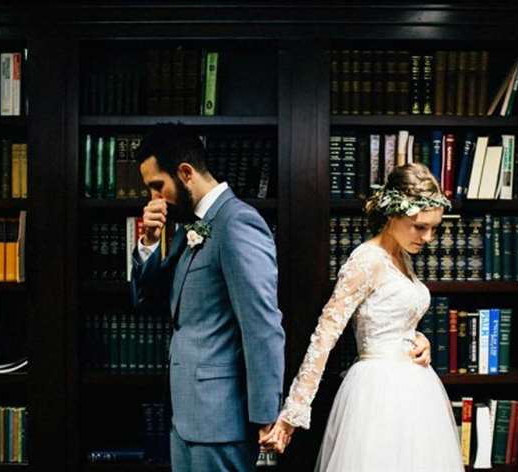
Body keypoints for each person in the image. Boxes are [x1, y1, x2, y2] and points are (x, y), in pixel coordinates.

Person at [261, 163, 464, 471]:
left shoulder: (403, 258)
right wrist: (293, 413)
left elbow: (394, 314)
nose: (429, 237)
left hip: (417, 392)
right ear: (392, 213)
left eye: (434, 228)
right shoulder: (366, 260)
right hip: (378, 393)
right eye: (419, 226)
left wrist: (418, 339)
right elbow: (324, 336)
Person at [130, 123, 285, 472]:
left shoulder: (237, 223)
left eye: (158, 187)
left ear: (185, 173)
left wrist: (266, 414)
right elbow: (148, 300)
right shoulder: (190, 229)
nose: (155, 199)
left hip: (221, 422)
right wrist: (151, 241)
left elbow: (262, 324)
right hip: (187, 417)